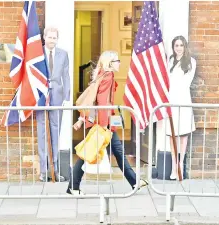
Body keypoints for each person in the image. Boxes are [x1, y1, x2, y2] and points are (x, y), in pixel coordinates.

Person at [67, 50, 148, 195]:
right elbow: (103, 102)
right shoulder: (108, 76)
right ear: (109, 63)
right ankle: (73, 187)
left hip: (104, 122)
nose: (119, 63)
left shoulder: (101, 75)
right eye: (117, 61)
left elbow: (95, 100)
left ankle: (135, 181)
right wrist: (105, 125)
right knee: (87, 153)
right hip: (103, 123)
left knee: (116, 151)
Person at [36, 27, 70, 182]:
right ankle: (43, 171)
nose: (51, 40)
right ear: (44, 37)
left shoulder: (63, 54)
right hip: (42, 95)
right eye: (49, 37)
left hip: (57, 95)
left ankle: (55, 170)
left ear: (57, 39)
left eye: (54, 38)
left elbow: (66, 75)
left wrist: (66, 97)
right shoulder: (37, 53)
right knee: (42, 131)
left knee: (55, 131)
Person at [166, 36, 196, 180]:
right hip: (171, 102)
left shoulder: (191, 62)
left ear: (185, 47)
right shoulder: (170, 60)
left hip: (183, 101)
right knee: (172, 135)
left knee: (183, 135)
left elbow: (184, 83)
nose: (178, 48)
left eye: (181, 45)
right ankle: (173, 167)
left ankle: (180, 166)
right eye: (176, 45)